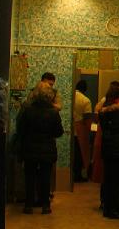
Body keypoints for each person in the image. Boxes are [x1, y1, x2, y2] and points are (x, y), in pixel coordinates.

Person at [16, 83, 64, 214]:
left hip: (29, 148)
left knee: (29, 176)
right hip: (47, 149)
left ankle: (28, 205)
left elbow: (20, 129)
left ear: (35, 94)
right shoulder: (53, 112)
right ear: (49, 96)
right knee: (45, 177)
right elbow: (59, 132)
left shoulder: (28, 110)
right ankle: (45, 205)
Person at [99, 86, 119, 219]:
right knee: (116, 181)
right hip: (118, 148)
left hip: (107, 147)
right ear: (118, 99)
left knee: (107, 179)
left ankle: (106, 207)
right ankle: (114, 209)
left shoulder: (103, 113)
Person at [73, 80, 92, 181]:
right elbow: (87, 118)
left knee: (72, 155)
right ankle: (78, 175)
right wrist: (88, 132)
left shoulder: (70, 97)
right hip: (80, 131)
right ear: (85, 89)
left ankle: (71, 175)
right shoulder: (85, 100)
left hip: (69, 131)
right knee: (80, 154)